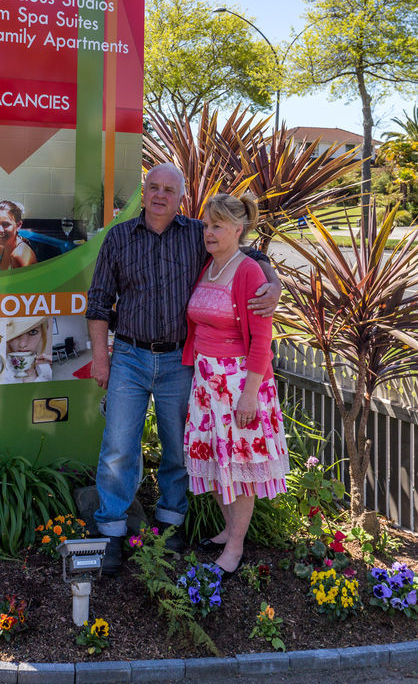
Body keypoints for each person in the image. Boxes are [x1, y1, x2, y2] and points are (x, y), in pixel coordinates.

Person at [86, 163, 281, 575]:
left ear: (181, 196)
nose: (160, 195)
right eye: (153, 187)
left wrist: (274, 282)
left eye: (168, 189)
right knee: (119, 445)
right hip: (130, 357)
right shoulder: (119, 238)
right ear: (144, 190)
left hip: (181, 361)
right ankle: (111, 531)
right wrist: (101, 358)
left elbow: (249, 253)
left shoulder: (198, 233)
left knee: (179, 446)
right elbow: (100, 300)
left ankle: (170, 523)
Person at [183, 193, 289, 577]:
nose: (208, 232)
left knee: (239, 465)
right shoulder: (209, 267)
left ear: (237, 229)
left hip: (239, 384)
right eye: (206, 225)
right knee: (212, 459)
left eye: (217, 226)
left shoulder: (248, 272)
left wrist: (249, 396)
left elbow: (262, 340)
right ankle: (229, 528)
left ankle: (236, 545)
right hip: (206, 383)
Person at [0, 200, 37, 270]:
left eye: (6, 224)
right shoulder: (1, 246)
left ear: (18, 226)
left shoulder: (19, 256)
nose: (0, 230)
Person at [3, 316, 52, 382]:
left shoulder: (47, 368)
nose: (22, 345)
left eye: (33, 332)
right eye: (15, 334)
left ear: (43, 332)